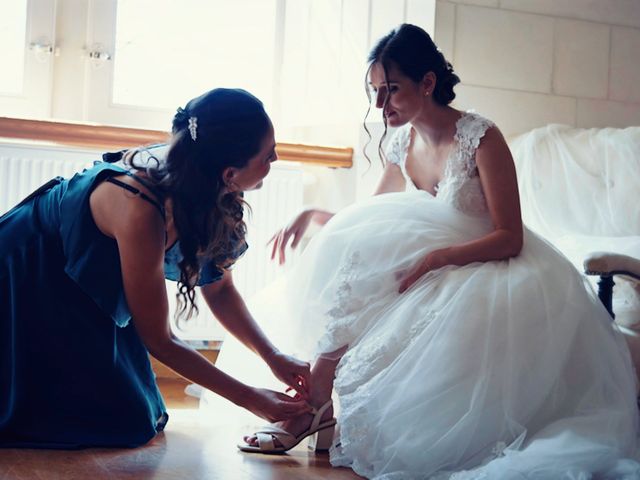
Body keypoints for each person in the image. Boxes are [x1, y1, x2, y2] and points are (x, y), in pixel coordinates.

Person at [231, 25, 640, 478]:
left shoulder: (481, 137)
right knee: (357, 250)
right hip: (431, 256)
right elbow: (374, 215)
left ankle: (312, 407)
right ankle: (318, 402)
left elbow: (510, 236)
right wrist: (315, 215)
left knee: (381, 263)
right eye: (375, 92)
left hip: (488, 259)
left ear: (427, 83)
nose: (380, 105)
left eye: (391, 90)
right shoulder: (400, 141)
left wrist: (436, 258)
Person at [0, 88, 313, 449]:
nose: (275, 158)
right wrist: (250, 398)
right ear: (229, 173)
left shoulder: (207, 179)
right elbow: (159, 338)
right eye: (268, 154)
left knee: (129, 415)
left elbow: (220, 288)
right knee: (92, 421)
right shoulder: (140, 208)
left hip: (78, 278)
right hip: (28, 271)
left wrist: (273, 356)